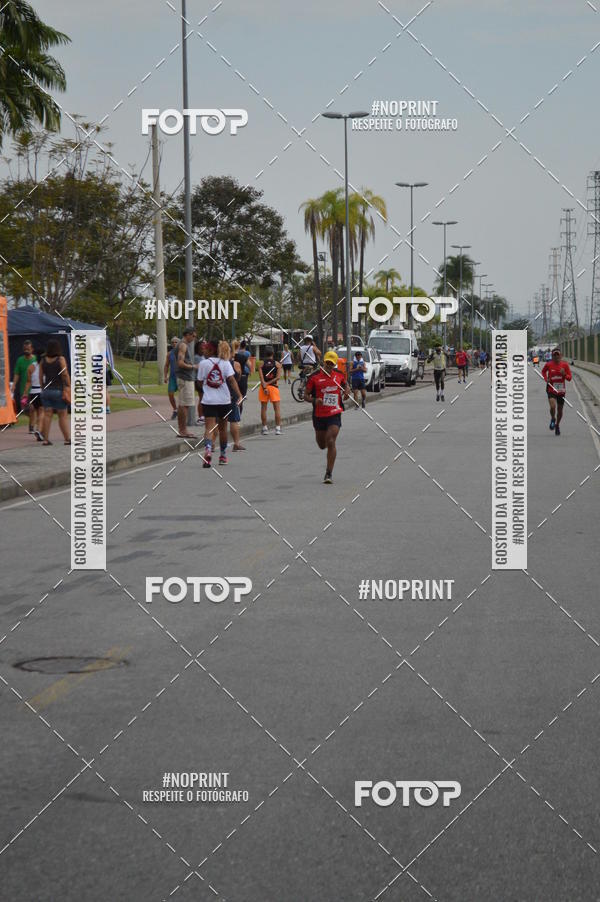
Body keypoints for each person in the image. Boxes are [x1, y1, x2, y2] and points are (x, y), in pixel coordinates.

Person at [304, 349, 349, 484]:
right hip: (319, 415)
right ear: (324, 362)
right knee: (322, 445)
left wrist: (347, 392)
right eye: (327, 362)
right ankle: (328, 468)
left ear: (335, 364)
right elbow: (305, 395)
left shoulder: (339, 375)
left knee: (331, 441)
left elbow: (346, 387)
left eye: (332, 363)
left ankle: (328, 473)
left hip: (334, 413)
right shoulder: (314, 377)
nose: (329, 365)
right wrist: (314, 400)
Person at [196, 340, 242, 467]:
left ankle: (208, 450)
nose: (203, 350)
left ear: (211, 350)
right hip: (224, 401)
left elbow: (199, 382)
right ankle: (222, 456)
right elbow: (232, 381)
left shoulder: (203, 364)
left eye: (206, 349)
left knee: (209, 428)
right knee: (223, 429)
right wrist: (239, 395)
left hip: (208, 401)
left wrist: (206, 385)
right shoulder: (226, 363)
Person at [39, 339, 71, 445]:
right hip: (58, 390)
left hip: (46, 391)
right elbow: (65, 374)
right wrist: (69, 385)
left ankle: (46, 440)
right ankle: (67, 439)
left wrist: (42, 387)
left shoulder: (43, 360)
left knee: (47, 415)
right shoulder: (60, 359)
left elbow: (40, 376)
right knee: (62, 415)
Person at [542, 347, 572, 436]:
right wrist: (545, 378)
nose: (556, 357)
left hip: (561, 390)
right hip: (551, 388)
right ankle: (552, 418)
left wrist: (564, 374)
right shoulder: (548, 364)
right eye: (554, 355)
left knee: (560, 410)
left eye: (557, 355)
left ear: (561, 356)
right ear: (552, 356)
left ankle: (557, 425)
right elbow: (543, 372)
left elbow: (569, 378)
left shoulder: (565, 365)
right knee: (552, 406)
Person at [176, 326, 197, 439]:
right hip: (185, 378)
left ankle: (182, 429)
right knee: (185, 405)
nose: (194, 338)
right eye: (193, 336)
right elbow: (180, 362)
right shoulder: (183, 345)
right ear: (188, 334)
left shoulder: (182, 344)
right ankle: (183, 430)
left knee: (183, 404)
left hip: (184, 377)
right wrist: (194, 366)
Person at [12, 340, 37, 431]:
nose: (26, 350)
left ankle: (31, 427)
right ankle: (33, 420)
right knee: (25, 410)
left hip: (34, 389)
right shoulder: (20, 360)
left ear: (32, 349)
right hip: (23, 390)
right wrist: (14, 385)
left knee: (32, 408)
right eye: (25, 349)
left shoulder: (35, 360)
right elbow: (17, 373)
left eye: (28, 349)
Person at [259, 345, 282, 435]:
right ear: (273, 353)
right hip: (274, 387)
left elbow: (261, 377)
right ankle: (278, 428)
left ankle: (265, 428)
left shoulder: (261, 364)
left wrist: (265, 385)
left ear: (265, 353)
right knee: (276, 409)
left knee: (264, 408)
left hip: (263, 388)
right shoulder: (277, 364)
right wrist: (269, 383)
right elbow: (278, 377)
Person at [22, 349, 44, 440]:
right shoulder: (45, 366)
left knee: (33, 410)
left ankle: (33, 427)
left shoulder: (31, 367)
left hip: (33, 392)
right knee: (41, 412)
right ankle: (39, 430)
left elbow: (28, 382)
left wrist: (25, 394)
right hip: (41, 391)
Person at [228, 345, 246, 451]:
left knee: (217, 421)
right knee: (233, 420)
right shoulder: (236, 364)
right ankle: (236, 443)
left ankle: (211, 444)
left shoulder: (217, 364)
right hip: (232, 394)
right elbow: (238, 377)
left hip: (219, 396)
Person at [163, 336, 179, 420]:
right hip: (172, 377)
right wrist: (165, 376)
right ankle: (175, 409)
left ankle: (184, 411)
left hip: (181, 377)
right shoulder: (169, 354)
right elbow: (166, 366)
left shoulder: (182, 352)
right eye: (173, 342)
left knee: (183, 395)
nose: (174, 343)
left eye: (176, 342)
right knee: (170, 394)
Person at [193, 339, 205, 425]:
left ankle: (203, 416)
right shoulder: (197, 357)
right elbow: (198, 368)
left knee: (203, 399)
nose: (203, 350)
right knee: (201, 399)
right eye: (202, 348)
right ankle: (201, 417)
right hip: (198, 380)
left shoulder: (202, 357)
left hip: (202, 380)